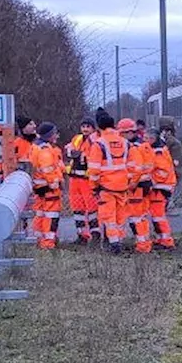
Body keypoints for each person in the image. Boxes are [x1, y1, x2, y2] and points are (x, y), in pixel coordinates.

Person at [87, 109, 131, 252]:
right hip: (123, 186)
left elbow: (94, 170)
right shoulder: (125, 143)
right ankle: (120, 240)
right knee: (120, 216)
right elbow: (133, 166)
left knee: (108, 217)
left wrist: (94, 187)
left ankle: (113, 244)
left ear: (99, 127)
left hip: (106, 187)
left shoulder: (99, 144)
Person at [27, 124, 65, 250]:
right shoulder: (44, 149)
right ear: (49, 135)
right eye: (54, 133)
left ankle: (38, 240)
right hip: (49, 188)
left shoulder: (35, 146)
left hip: (40, 187)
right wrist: (56, 182)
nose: (56, 136)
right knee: (51, 216)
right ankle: (48, 243)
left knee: (40, 214)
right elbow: (48, 169)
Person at [65, 118, 99, 244]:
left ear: (93, 128)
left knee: (92, 208)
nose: (85, 129)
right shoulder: (77, 138)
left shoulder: (95, 140)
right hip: (74, 179)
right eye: (83, 126)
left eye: (88, 127)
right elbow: (69, 150)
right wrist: (75, 153)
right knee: (77, 208)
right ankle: (81, 235)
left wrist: (78, 154)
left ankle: (95, 234)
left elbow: (91, 156)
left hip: (87, 179)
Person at [125, 120, 156, 255]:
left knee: (136, 217)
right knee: (141, 217)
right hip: (144, 184)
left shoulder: (135, 148)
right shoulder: (144, 146)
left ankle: (142, 245)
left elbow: (135, 169)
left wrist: (130, 183)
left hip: (136, 186)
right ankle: (144, 243)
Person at [148, 130, 177, 250]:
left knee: (158, 215)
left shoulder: (158, 152)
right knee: (157, 215)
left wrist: (151, 181)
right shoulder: (159, 149)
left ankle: (166, 240)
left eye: (149, 138)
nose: (147, 140)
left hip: (160, 188)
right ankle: (162, 238)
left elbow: (162, 172)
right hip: (161, 187)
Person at [159, 121, 182, 210]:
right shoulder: (174, 142)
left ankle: (169, 205)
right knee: (175, 191)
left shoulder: (170, 142)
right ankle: (170, 205)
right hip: (176, 170)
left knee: (173, 191)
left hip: (174, 171)